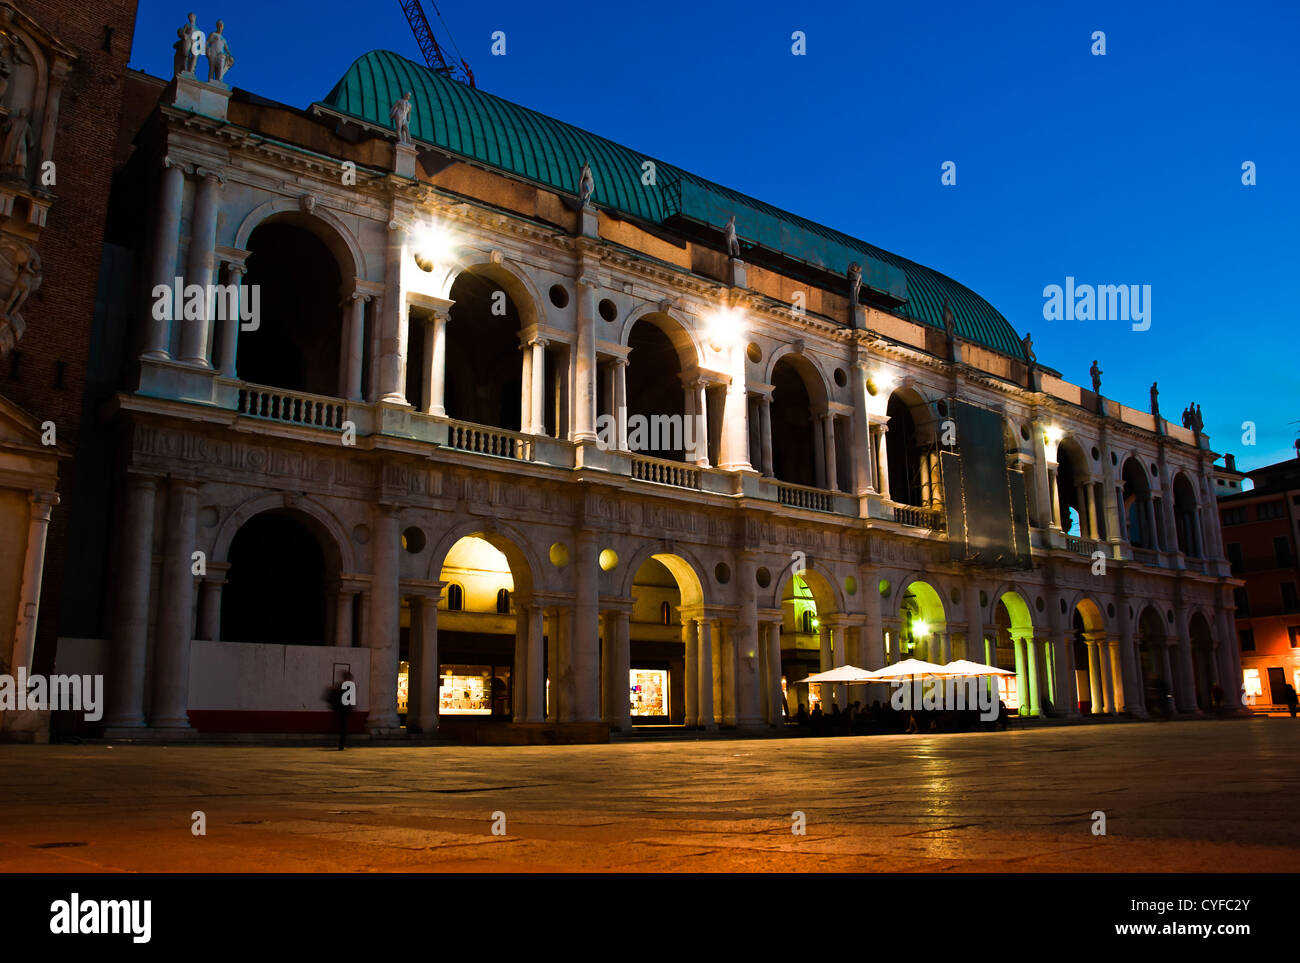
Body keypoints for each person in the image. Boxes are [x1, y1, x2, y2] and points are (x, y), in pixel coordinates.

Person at [325, 671, 354, 750]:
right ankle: (340, 745)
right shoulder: (348, 687)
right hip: (344, 711)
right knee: (343, 729)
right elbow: (350, 701)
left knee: (340, 728)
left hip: (338, 711)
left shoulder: (338, 686)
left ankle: (339, 744)